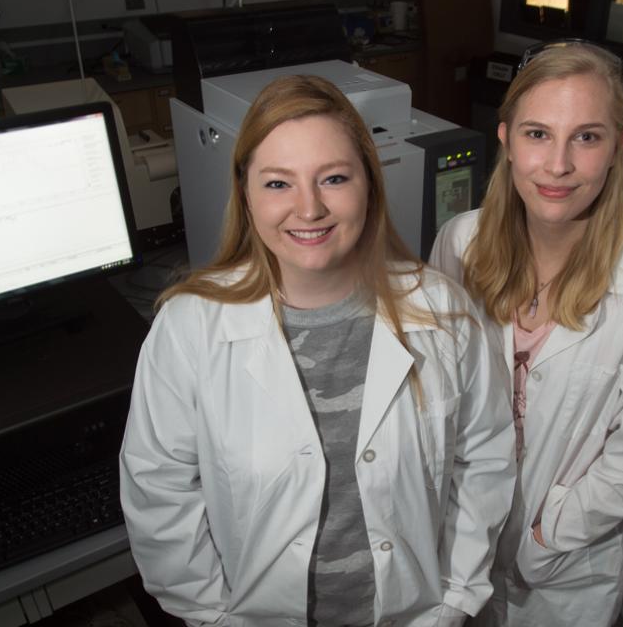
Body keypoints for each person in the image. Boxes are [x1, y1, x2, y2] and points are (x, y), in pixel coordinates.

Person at [120, 75, 516, 627]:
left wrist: (452, 600)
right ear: (246, 193)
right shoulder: (189, 330)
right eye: (278, 183)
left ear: (369, 186)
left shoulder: (442, 313)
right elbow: (158, 491)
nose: (308, 209)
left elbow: (485, 460)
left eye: (333, 178)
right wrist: (211, 616)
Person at [430, 41, 623, 626]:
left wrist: (547, 534)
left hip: (564, 573)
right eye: (536, 134)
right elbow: (436, 396)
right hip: (456, 544)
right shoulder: (458, 243)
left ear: (617, 148)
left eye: (586, 136)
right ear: (503, 137)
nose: (558, 165)